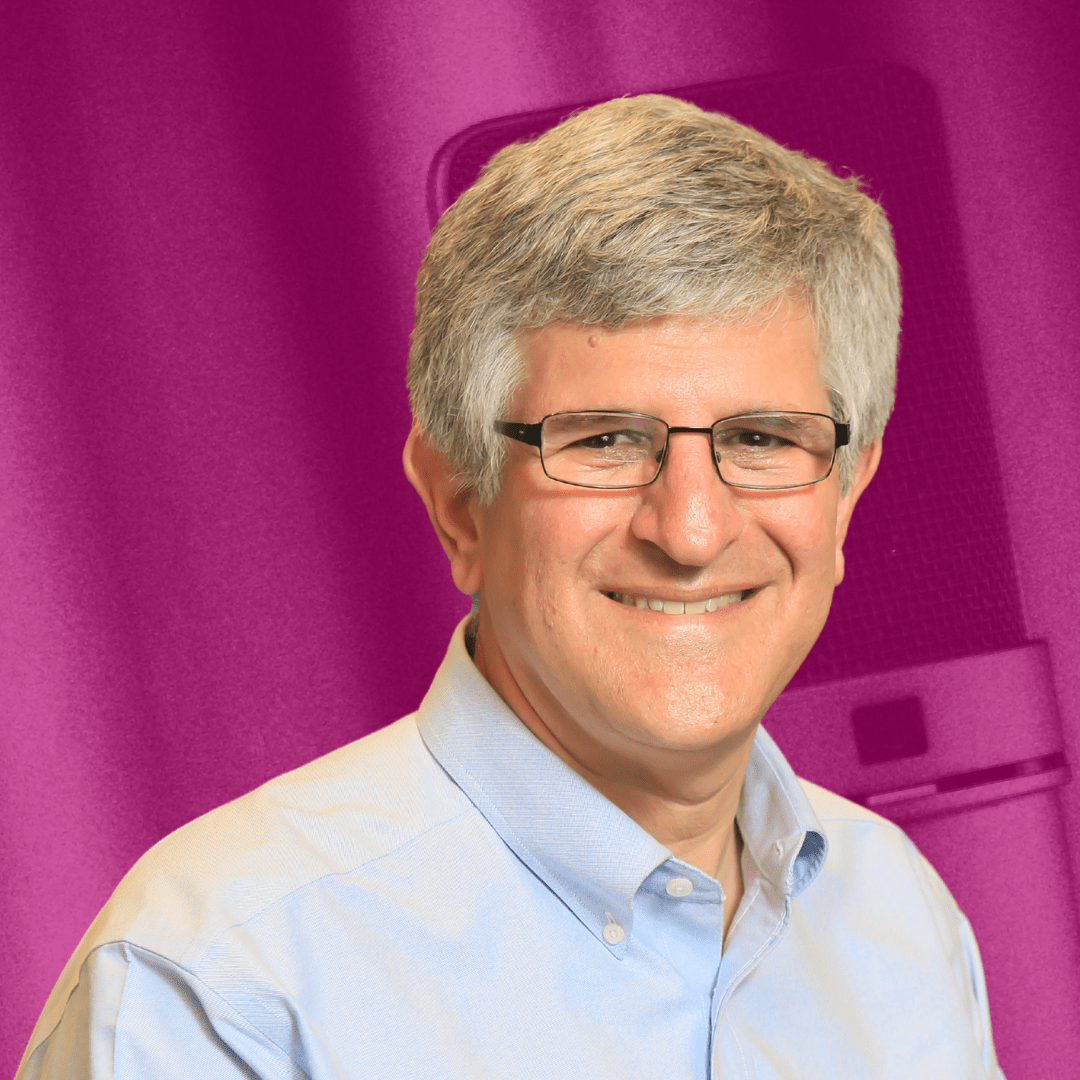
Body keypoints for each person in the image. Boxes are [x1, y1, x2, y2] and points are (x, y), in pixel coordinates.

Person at [17, 94, 1003, 1079]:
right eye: (605, 441)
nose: (692, 530)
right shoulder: (218, 992)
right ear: (460, 504)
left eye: (761, 439)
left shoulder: (901, 918)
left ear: (844, 495)